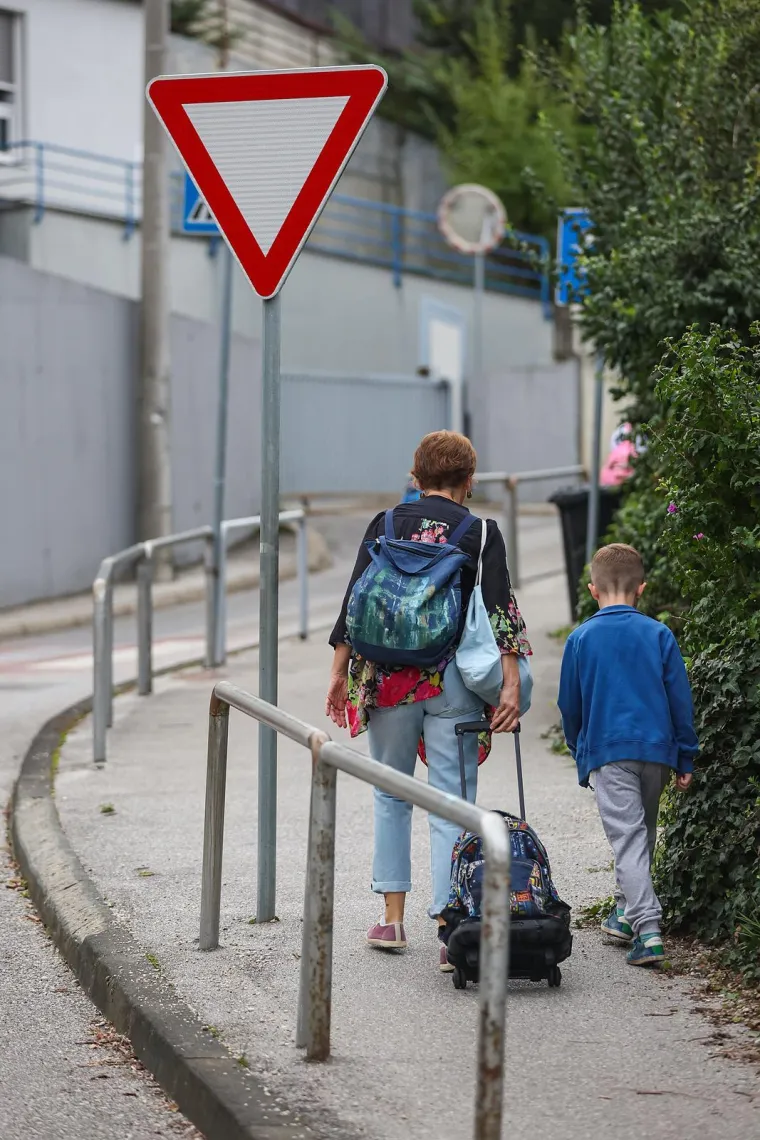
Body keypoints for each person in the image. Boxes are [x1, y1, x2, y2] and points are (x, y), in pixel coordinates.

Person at [326, 430, 531, 972]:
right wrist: (510, 684)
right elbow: (501, 609)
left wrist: (339, 673)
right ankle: (450, 928)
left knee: (390, 794)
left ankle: (391, 920)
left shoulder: (387, 523)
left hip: (388, 680)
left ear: (415, 478)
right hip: (452, 682)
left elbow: (355, 600)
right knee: (452, 804)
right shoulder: (481, 532)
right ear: (470, 480)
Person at [558, 543, 698, 967]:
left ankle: (648, 930)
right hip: (657, 751)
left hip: (608, 751)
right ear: (641, 588)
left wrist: (579, 751)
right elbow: (680, 700)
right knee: (641, 833)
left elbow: (570, 706)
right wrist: (685, 756)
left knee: (629, 837)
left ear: (592, 590)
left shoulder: (581, 639)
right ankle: (623, 913)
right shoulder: (659, 634)